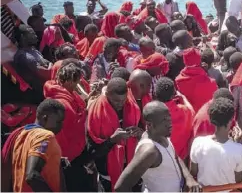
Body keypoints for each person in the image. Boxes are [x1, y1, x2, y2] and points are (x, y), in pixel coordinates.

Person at [114, 101, 201, 192]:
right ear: (150, 125)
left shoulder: (163, 135)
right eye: (164, 120)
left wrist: (189, 178)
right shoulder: (149, 151)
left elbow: (176, 157)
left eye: (169, 117)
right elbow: (121, 187)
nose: (170, 123)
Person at [43, 63, 94, 191]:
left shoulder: (69, 94)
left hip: (74, 150)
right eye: (77, 81)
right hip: (67, 155)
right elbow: (63, 131)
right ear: (71, 81)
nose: (79, 84)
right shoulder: (62, 104)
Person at [87, 78, 142, 191]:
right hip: (108, 173)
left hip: (131, 168)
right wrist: (112, 140)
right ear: (107, 94)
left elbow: (143, 129)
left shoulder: (132, 105)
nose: (121, 104)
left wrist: (139, 132)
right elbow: (92, 151)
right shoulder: (96, 114)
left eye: (123, 100)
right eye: (116, 101)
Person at [1, 99, 66, 192]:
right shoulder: (45, 136)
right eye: (59, 121)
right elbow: (32, 175)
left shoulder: (22, 134)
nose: (61, 126)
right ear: (45, 118)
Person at [190, 97, 242, 187]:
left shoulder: (198, 143)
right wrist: (235, 144)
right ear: (231, 120)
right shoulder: (239, 149)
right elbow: (239, 179)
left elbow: (193, 172)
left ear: (212, 120)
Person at [154, 77, 196, 160]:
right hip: (181, 158)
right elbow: (192, 112)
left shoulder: (153, 113)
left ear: (155, 94)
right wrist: (183, 98)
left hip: (160, 159)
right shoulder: (184, 110)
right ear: (174, 94)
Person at [13, 24, 51, 100]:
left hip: (48, 86)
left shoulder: (33, 50)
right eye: (32, 34)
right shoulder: (24, 56)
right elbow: (47, 73)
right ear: (23, 37)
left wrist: (49, 64)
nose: (36, 36)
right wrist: (51, 64)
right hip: (40, 94)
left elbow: (48, 65)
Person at [175, 48, 218, 113]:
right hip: (204, 119)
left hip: (188, 119)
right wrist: (206, 72)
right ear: (200, 60)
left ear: (184, 61)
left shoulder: (178, 81)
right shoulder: (211, 82)